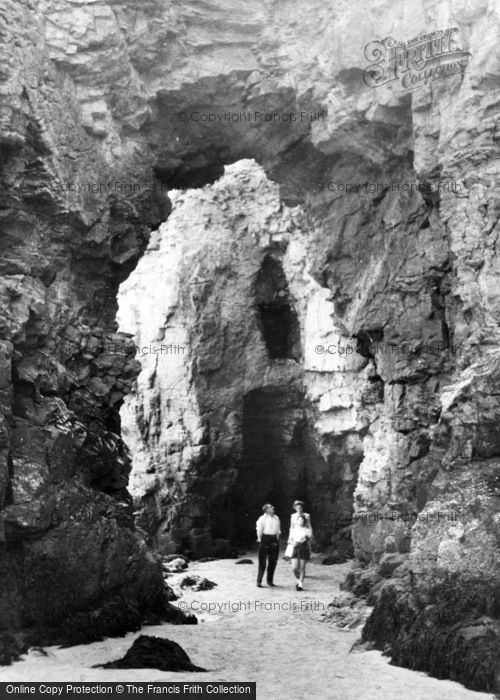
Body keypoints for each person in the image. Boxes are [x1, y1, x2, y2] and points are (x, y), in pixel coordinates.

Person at [256, 503, 281, 587]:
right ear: (266, 510)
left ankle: (270, 581)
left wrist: (276, 539)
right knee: (262, 561)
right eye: (270, 507)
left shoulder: (276, 518)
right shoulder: (262, 518)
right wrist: (260, 539)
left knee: (273, 561)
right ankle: (259, 581)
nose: (273, 507)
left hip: (274, 539)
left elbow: (278, 530)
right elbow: (259, 529)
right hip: (265, 539)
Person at [288, 514, 312, 590]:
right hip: (295, 548)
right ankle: (298, 580)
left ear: (304, 521)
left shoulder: (307, 530)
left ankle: (300, 584)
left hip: (303, 548)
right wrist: (292, 543)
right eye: (299, 520)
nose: (300, 521)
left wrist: (305, 539)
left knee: (302, 567)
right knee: (294, 568)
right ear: (297, 521)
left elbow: (309, 539)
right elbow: (289, 540)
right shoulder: (294, 530)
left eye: (302, 520)